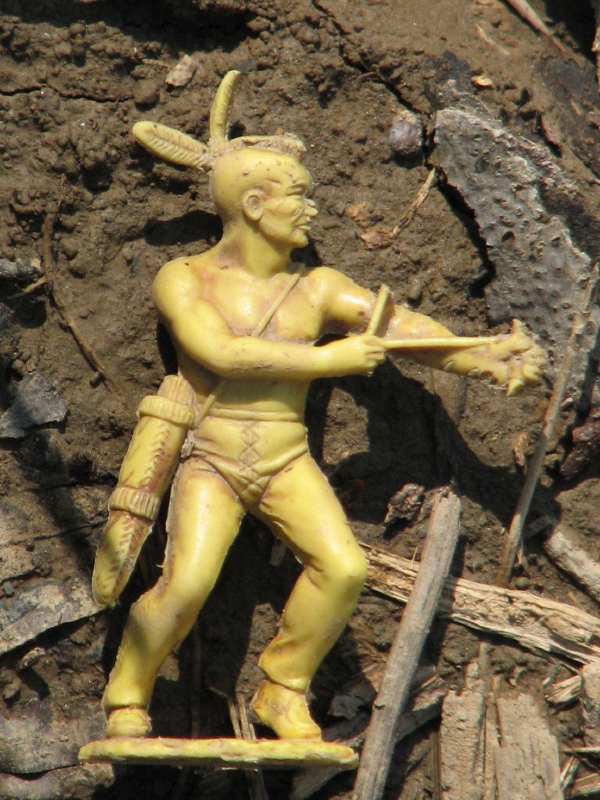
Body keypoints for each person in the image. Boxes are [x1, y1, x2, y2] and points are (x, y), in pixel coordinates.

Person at [98, 72, 545, 740]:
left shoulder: (318, 288)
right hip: (212, 456)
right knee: (186, 583)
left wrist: (482, 354)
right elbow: (220, 352)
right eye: (299, 196)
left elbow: (398, 326)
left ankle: (282, 690)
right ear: (255, 205)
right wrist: (327, 361)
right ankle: (128, 693)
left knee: (342, 568)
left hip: (285, 458)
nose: (312, 210)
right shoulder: (185, 278)